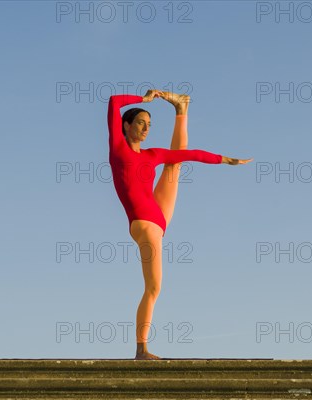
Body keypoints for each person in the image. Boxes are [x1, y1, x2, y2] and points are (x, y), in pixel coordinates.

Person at [107, 90, 252, 360]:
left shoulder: (152, 154)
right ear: (126, 126)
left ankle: (181, 108)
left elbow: (192, 154)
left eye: (150, 124)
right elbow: (114, 102)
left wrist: (225, 160)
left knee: (176, 163)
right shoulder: (118, 148)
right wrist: (144, 99)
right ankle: (141, 349)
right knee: (153, 287)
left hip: (158, 215)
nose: (146, 128)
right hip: (145, 224)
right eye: (141, 122)